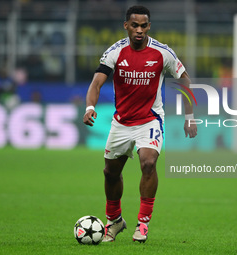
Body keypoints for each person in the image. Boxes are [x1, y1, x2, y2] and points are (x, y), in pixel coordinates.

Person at [83, 5, 197, 243]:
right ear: (126, 26)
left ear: (149, 27)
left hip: (150, 120)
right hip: (121, 122)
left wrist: (189, 117)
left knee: (148, 162)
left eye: (144, 26)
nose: (139, 30)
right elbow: (96, 83)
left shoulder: (162, 53)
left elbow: (185, 81)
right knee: (110, 173)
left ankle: (143, 224)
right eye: (134, 25)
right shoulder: (115, 52)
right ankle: (114, 221)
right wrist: (90, 107)